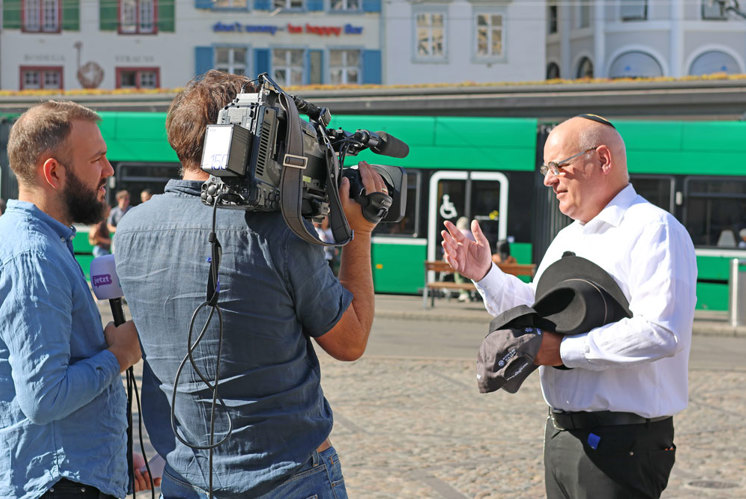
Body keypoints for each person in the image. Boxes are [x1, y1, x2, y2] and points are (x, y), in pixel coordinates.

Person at [114, 70, 386, 498]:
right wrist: (360, 231)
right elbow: (350, 341)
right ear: (252, 133)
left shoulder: (130, 228)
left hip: (185, 477)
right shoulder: (277, 231)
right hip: (286, 476)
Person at [442, 114, 696, 499]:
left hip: (621, 443)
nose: (548, 179)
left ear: (603, 160)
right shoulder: (567, 237)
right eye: (547, 168)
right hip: (562, 434)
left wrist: (561, 351)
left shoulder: (654, 229)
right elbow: (539, 308)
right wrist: (485, 274)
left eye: (558, 166)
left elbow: (661, 332)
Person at [0, 100, 150, 498]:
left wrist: (116, 453)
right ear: (53, 172)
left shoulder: (46, 242)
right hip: (58, 486)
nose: (109, 171)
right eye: (97, 159)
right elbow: (44, 398)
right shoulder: (34, 256)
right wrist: (120, 355)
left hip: (72, 475)